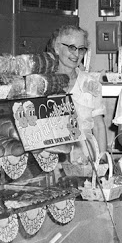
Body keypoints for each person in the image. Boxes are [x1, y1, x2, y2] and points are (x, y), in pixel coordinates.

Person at [48, 24, 108, 156]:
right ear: (57, 48)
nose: (76, 54)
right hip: (53, 155)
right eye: (71, 48)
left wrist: (103, 158)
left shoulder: (91, 83)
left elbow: (98, 126)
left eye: (81, 49)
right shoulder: (45, 82)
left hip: (85, 156)